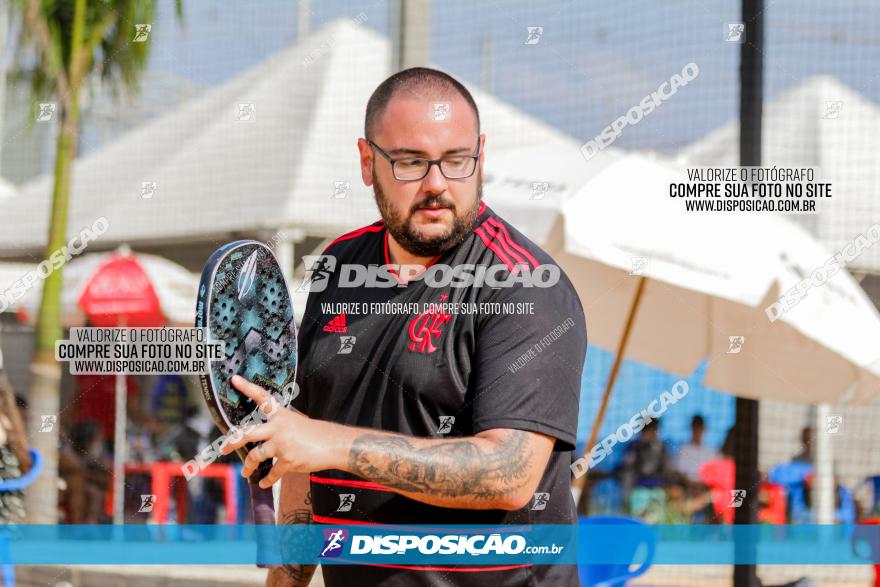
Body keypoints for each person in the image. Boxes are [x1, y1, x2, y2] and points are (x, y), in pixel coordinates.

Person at [222, 67, 588, 586]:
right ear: (368, 162)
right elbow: (305, 440)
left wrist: (330, 444)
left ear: (480, 155)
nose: (437, 185)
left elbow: (509, 473)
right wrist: (288, 576)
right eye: (411, 162)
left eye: (457, 161)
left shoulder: (524, 285)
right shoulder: (337, 265)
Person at [618, 419, 670, 516]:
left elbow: (665, 469)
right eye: (650, 430)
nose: (653, 434)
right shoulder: (633, 447)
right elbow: (626, 468)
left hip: (657, 491)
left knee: (657, 520)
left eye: (654, 430)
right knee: (639, 519)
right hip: (638, 491)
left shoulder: (661, 447)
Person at [672, 414, 719, 484]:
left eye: (699, 428)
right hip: (687, 488)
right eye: (695, 428)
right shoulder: (683, 449)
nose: (697, 431)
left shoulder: (711, 452)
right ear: (691, 428)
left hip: (705, 489)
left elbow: (715, 475)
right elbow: (679, 471)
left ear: (704, 429)